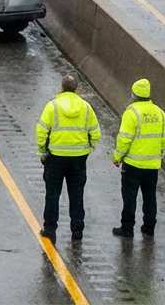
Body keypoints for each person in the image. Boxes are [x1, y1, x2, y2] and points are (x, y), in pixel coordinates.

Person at [36, 74, 101, 243]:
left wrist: (43, 151)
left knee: (52, 195)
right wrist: (88, 149)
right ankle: (77, 232)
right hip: (78, 159)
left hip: (55, 159)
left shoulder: (52, 106)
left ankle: (50, 229)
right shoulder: (86, 107)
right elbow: (95, 133)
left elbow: (41, 131)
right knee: (77, 195)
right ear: (77, 89)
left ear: (62, 88)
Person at [113, 78, 165, 239]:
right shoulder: (159, 113)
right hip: (152, 166)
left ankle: (127, 228)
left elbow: (124, 139)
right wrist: (158, 156)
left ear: (134, 95)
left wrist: (117, 157)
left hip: (133, 164)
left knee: (130, 197)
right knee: (150, 197)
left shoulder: (132, 113)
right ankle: (149, 228)